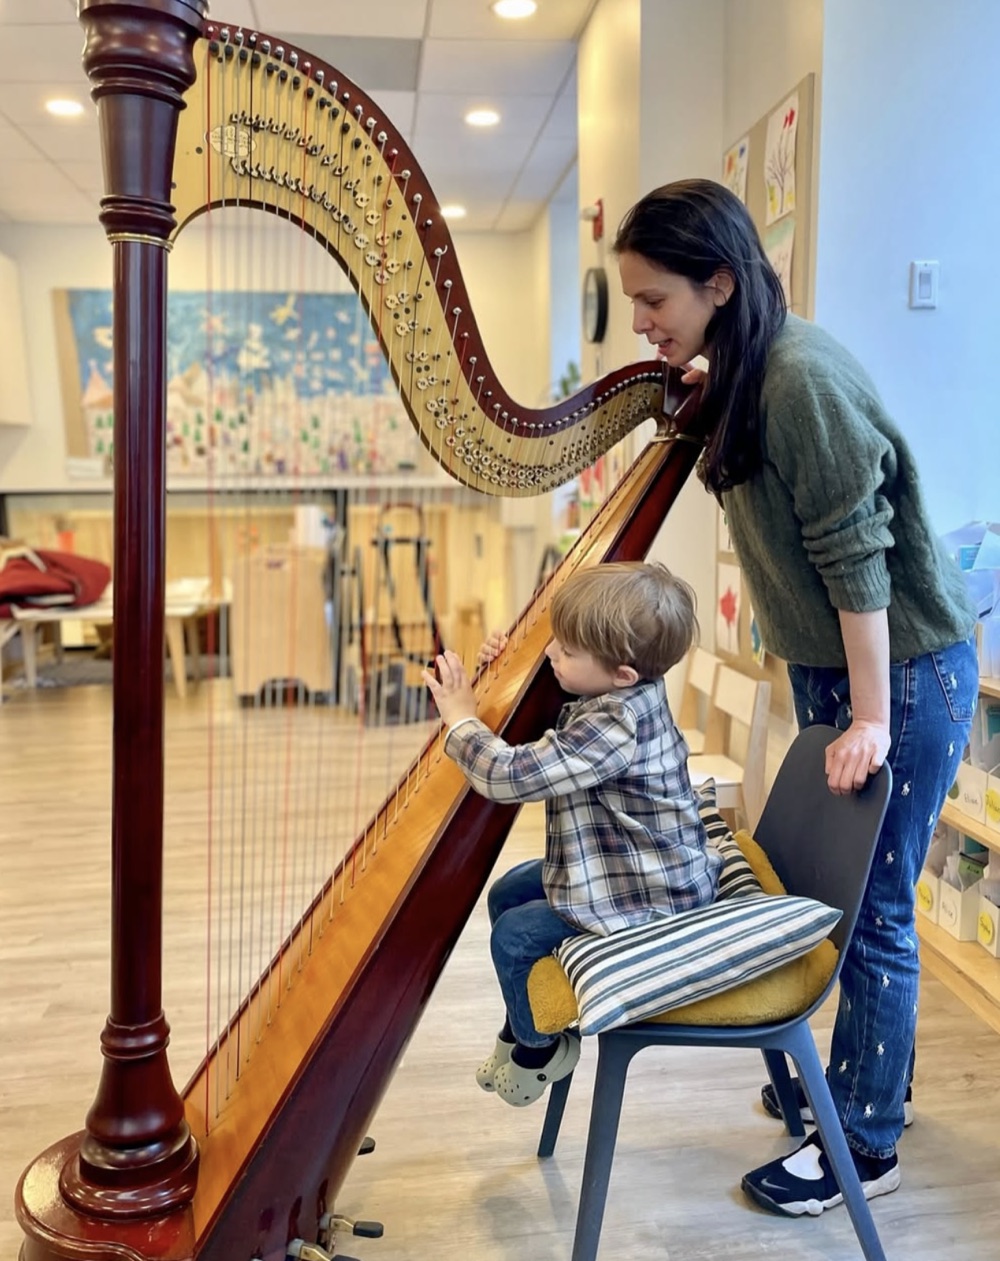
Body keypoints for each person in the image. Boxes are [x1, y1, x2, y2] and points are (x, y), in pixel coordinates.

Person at [613, 177, 978, 1216]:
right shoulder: (736, 370)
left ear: (719, 284)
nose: (641, 323)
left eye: (655, 302)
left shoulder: (796, 378)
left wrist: (868, 716)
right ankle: (875, 1084)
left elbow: (857, 562)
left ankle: (863, 1145)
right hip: (847, 670)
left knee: (869, 913)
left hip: (899, 669)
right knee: (852, 903)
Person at [423, 560, 722, 1107]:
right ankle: (528, 1012)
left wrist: (462, 718)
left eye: (564, 650)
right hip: (632, 870)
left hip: (652, 895)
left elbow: (511, 776)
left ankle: (540, 1047)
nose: (550, 653)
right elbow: (567, 717)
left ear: (622, 674)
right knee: (508, 892)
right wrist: (507, 666)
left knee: (512, 937)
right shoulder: (622, 693)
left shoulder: (615, 724)